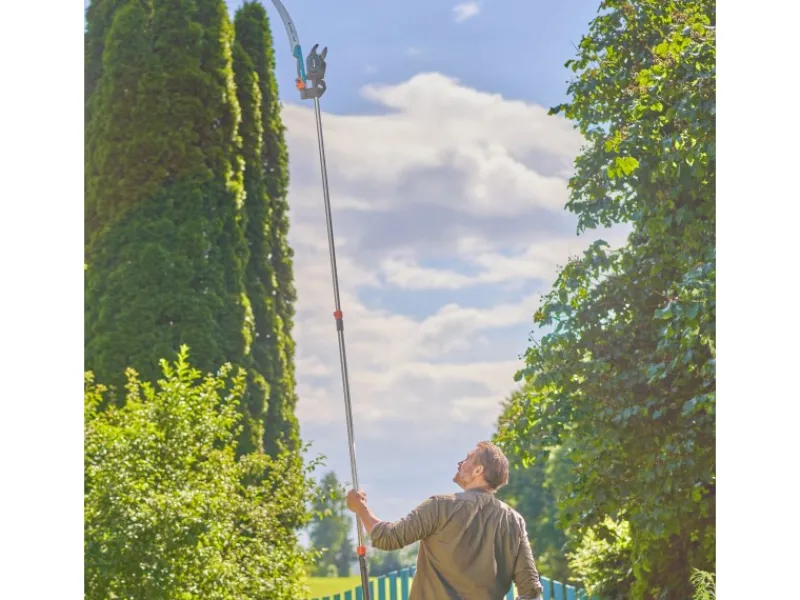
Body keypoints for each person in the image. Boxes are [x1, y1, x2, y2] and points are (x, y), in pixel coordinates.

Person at [345, 441, 544, 600]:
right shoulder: (513, 521)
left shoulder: (440, 506)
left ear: (478, 470)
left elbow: (388, 538)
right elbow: (531, 591)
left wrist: (360, 507)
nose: (460, 463)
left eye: (467, 459)